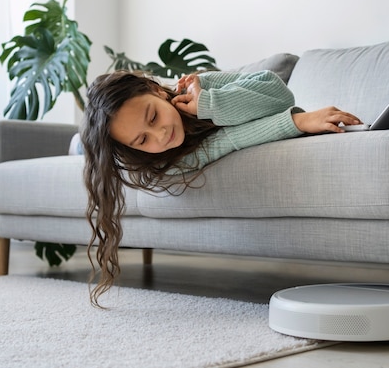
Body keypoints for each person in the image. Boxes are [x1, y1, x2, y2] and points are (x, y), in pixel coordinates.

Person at [81, 69, 362, 307]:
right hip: (91, 149)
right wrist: (296, 121)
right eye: (143, 139)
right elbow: (228, 140)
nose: (161, 134)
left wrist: (207, 102)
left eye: (153, 117)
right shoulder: (159, 163)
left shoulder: (195, 88)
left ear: (156, 90)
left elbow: (280, 96)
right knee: (79, 146)